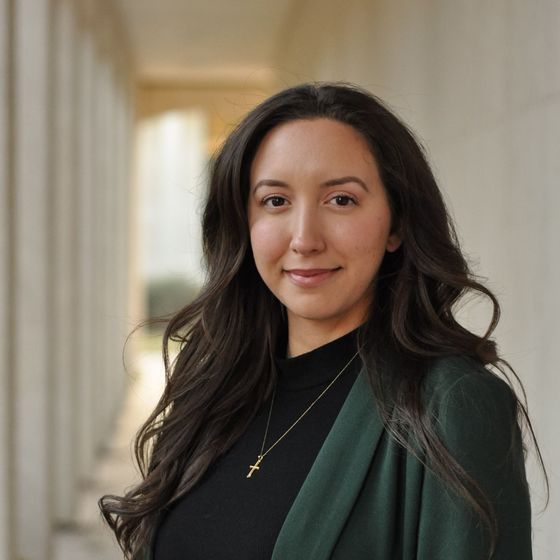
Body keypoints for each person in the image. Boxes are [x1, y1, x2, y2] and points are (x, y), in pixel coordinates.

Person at [100, 82, 545, 559]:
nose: (304, 239)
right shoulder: (213, 384)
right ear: (243, 222)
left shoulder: (452, 404)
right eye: (275, 201)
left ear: (395, 224)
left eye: (341, 200)